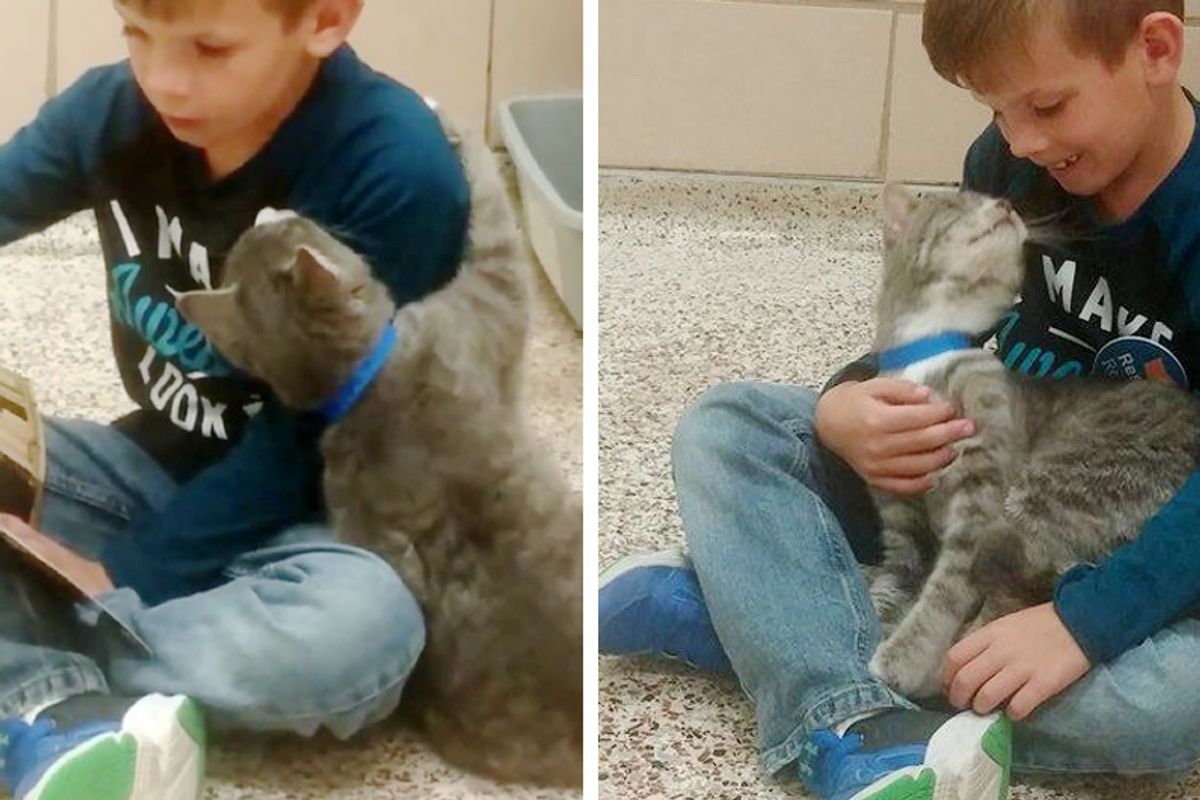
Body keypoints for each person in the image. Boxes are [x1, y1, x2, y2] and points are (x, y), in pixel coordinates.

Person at [600, 2, 1200, 798]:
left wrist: (1081, 625)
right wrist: (848, 405)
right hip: (987, 479)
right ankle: (848, 687)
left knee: (1165, 711)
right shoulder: (1014, 161)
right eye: (996, 110)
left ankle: (760, 629)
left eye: (1047, 107)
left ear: (1155, 50)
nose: (1019, 141)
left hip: (1142, 543)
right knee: (732, 427)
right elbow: (940, 327)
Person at [0, 1, 469, 797]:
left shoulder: (397, 172)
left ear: (324, 19)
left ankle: (45, 694)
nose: (161, 79)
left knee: (358, 634)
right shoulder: (110, 109)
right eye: (137, 35)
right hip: (154, 468)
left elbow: (308, 446)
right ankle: (79, 699)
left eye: (210, 47)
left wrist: (121, 574)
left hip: (340, 525)